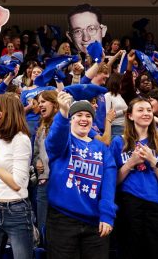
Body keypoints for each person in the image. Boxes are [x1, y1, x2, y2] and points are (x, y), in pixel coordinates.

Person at [45, 92, 117, 259]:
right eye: (78, 115)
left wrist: (107, 215)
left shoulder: (103, 149)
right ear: (71, 119)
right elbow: (54, 141)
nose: (84, 119)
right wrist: (63, 114)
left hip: (95, 223)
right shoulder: (64, 142)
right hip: (62, 220)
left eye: (88, 115)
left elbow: (108, 186)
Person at [111, 98, 158, 259]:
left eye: (149, 110)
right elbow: (113, 182)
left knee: (157, 251)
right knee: (131, 251)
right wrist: (130, 163)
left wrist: (153, 162)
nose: (146, 113)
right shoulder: (119, 142)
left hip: (157, 204)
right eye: (140, 110)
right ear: (130, 116)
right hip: (129, 203)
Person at [0, 93, 34, 259]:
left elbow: (18, 183)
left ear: (1, 114)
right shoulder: (3, 138)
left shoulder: (21, 140)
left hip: (17, 211)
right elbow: (8, 172)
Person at [33, 90, 59, 230]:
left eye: (43, 101)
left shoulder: (63, 126)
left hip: (59, 182)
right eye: (39, 102)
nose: (40, 105)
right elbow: (36, 152)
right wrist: (37, 161)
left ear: (54, 104)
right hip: (43, 182)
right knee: (43, 225)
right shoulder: (41, 128)